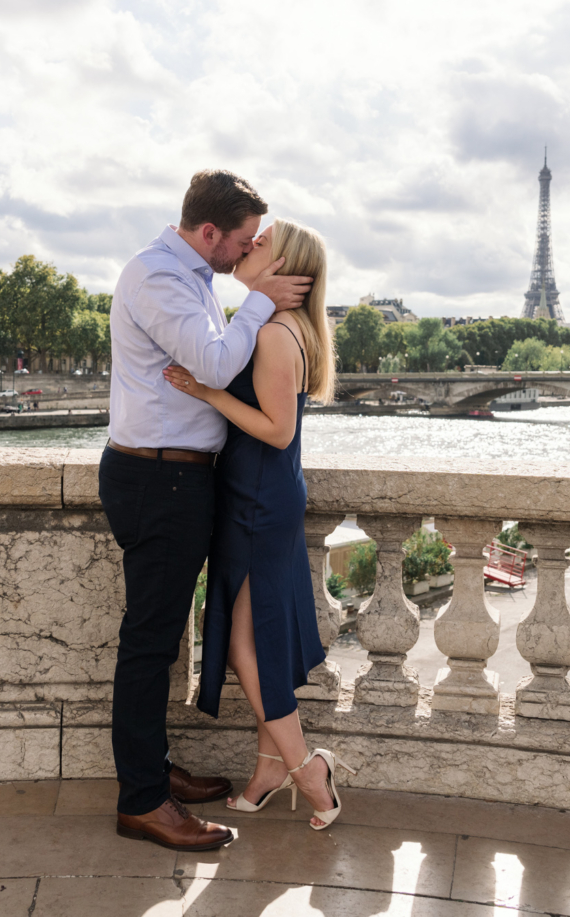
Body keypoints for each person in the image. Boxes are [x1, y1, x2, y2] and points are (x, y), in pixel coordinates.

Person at [101, 170, 311, 852]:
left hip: (172, 477)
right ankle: (142, 801)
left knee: (159, 639)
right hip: (158, 479)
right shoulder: (161, 278)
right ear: (211, 232)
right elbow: (216, 368)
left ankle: (152, 774)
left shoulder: (188, 278)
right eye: (244, 240)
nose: (246, 253)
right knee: (150, 643)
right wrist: (256, 303)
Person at [165, 218, 356, 831]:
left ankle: (306, 768)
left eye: (262, 243)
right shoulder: (287, 327)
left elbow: (277, 430)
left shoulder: (276, 334)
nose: (249, 246)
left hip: (257, 499)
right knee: (256, 638)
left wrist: (205, 393)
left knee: (248, 645)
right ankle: (270, 766)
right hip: (262, 494)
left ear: (285, 268)